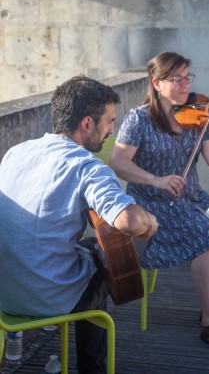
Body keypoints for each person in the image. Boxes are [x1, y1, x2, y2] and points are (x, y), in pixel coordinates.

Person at [109, 51, 209, 351]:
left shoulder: (202, 115)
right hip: (153, 204)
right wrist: (155, 179)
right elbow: (118, 162)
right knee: (207, 233)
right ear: (156, 83)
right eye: (177, 78)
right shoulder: (139, 119)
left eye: (188, 77)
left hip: (191, 196)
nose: (185, 84)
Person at [0, 76, 158, 374]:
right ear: (87, 123)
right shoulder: (87, 167)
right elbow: (128, 221)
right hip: (46, 298)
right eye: (109, 121)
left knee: (91, 250)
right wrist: (150, 221)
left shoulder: (15, 153)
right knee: (105, 262)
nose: (112, 129)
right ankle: (92, 368)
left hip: (5, 293)